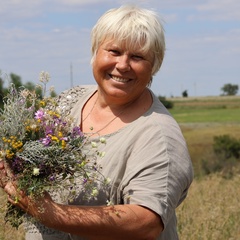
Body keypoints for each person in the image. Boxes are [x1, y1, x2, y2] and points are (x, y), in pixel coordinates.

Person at [0, 5, 193, 240]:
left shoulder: (159, 137)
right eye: (114, 51)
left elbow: (146, 222)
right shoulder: (70, 101)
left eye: (137, 56)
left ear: (154, 66)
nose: (122, 65)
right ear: (95, 52)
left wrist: (52, 213)